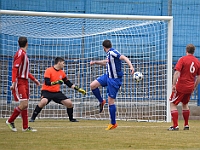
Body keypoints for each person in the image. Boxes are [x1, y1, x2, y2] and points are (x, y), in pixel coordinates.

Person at [90, 40, 134, 130]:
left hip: (114, 80)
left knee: (111, 102)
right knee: (93, 85)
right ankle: (101, 101)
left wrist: (131, 66)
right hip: (108, 76)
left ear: (103, 47)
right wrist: (95, 62)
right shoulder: (109, 54)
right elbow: (106, 62)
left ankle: (113, 123)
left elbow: (124, 57)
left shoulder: (113, 52)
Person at [29, 57, 86, 122]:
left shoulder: (62, 72)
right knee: (43, 101)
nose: (64, 65)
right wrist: (56, 82)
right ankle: (33, 118)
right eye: (63, 63)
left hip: (56, 92)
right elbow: (47, 82)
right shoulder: (49, 70)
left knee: (69, 103)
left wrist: (78, 89)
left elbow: (68, 83)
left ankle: (71, 119)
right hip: (47, 91)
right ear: (59, 63)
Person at [6, 36, 40, 132]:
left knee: (25, 104)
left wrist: (34, 80)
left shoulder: (24, 54)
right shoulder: (20, 54)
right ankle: (10, 120)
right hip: (20, 81)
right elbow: (15, 69)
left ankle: (25, 127)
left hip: (25, 81)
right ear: (27, 44)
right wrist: (13, 83)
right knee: (24, 104)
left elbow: (25, 71)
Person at [168, 44, 200, 131]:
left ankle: (175, 126)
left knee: (172, 103)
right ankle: (186, 125)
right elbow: (199, 77)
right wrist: (194, 86)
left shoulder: (182, 59)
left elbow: (177, 73)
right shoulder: (197, 61)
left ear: (186, 51)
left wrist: (174, 84)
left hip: (181, 86)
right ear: (193, 51)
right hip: (190, 86)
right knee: (185, 104)